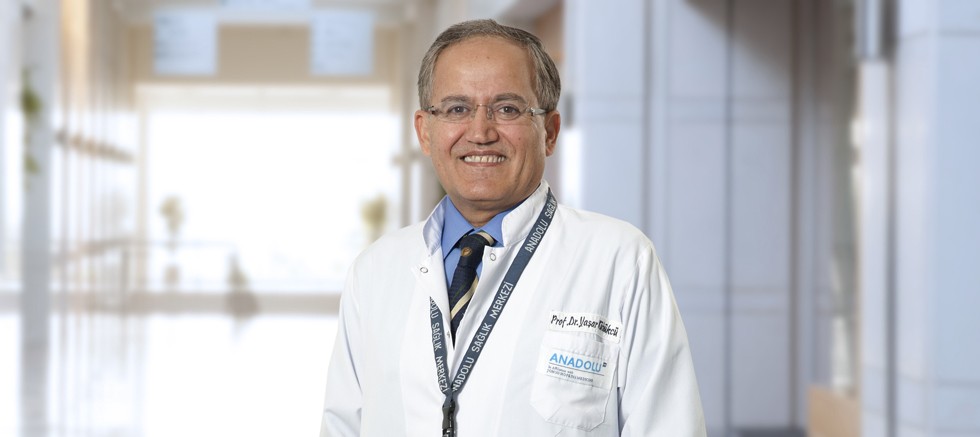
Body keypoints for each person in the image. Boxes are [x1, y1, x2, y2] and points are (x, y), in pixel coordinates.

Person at [320, 19, 706, 437]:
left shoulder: (620, 260)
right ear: (425, 132)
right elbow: (342, 426)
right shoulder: (375, 270)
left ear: (550, 132)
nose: (480, 133)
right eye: (457, 109)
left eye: (507, 109)